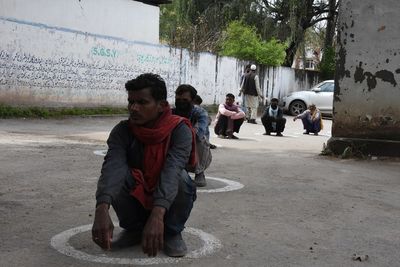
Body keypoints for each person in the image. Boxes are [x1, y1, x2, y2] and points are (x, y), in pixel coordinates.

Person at [92, 73, 197, 258]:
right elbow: (113, 167)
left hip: (166, 195)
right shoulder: (123, 130)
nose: (133, 108)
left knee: (182, 179)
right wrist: (101, 207)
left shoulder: (180, 130)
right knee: (118, 177)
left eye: (142, 102)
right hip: (137, 194)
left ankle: (172, 232)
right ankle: (134, 229)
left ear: (161, 106)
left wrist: (157, 215)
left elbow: (171, 171)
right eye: (131, 102)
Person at [173, 85, 212, 187]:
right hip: (177, 150)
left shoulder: (200, 113)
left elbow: (200, 133)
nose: (181, 102)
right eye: (178, 99)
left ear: (193, 100)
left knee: (199, 139)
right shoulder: (171, 113)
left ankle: (199, 172)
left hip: (196, 149)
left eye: (185, 99)